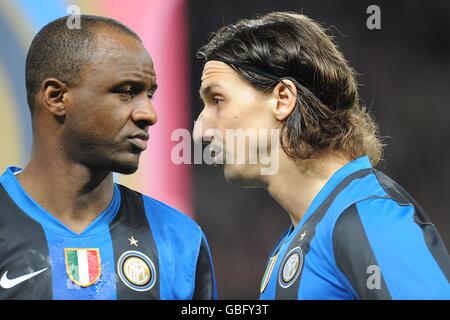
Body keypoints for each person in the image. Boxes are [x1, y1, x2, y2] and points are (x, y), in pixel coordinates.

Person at [193, 12, 449, 299]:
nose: (200, 131)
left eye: (217, 100)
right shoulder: (292, 245)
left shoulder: (368, 217)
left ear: (282, 99)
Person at [0, 15, 216, 300]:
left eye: (149, 95)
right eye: (126, 92)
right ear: (56, 97)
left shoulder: (180, 239)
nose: (148, 115)